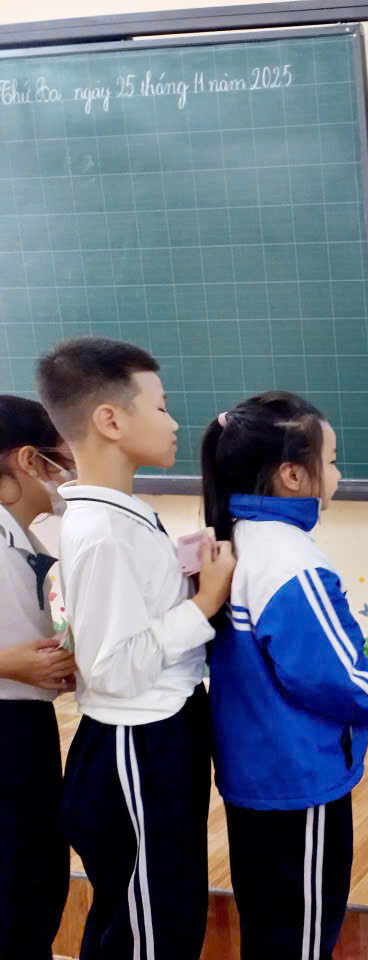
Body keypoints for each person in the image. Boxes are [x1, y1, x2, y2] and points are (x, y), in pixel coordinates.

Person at [36, 338, 235, 960]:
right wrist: (205, 602)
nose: (174, 423)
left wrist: (181, 574)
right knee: (151, 930)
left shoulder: (122, 514)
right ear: (111, 420)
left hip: (160, 732)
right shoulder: (102, 531)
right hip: (137, 742)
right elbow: (116, 668)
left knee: (158, 911)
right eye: (162, 406)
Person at [201, 392, 368, 960]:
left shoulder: (238, 535)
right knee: (304, 933)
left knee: (271, 926)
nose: (337, 473)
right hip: (298, 780)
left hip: (254, 775)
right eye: (330, 461)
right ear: (292, 475)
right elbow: (332, 675)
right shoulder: (292, 561)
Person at [0, 395, 78, 960]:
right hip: (7, 726)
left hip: (27, 724)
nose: (72, 471)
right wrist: (9, 665)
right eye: (65, 456)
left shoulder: (22, 537)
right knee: (14, 887)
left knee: (37, 875)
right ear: (30, 460)